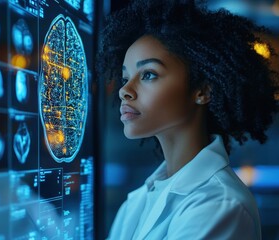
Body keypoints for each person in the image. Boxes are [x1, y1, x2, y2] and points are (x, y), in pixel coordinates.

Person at [97, 0, 279, 239]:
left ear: (202, 91)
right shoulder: (137, 202)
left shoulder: (220, 206)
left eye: (148, 74)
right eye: (125, 78)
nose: (125, 91)